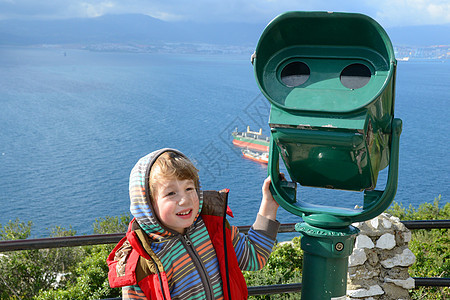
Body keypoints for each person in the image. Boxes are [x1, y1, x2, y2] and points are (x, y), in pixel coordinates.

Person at [107, 148, 280, 300]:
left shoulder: (213, 228)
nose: (185, 200)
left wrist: (269, 204)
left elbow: (254, 257)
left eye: (189, 188)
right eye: (171, 193)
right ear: (147, 205)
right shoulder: (140, 264)